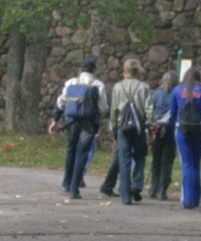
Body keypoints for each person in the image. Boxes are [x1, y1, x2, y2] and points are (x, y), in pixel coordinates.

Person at [48, 57, 108, 199]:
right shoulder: (98, 85)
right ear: (94, 70)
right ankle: (75, 189)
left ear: (80, 69)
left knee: (71, 149)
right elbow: (103, 107)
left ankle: (66, 183)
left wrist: (55, 120)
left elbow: (61, 102)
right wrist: (98, 117)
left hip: (71, 121)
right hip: (88, 122)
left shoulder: (70, 83)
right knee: (82, 152)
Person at [109, 58, 153, 205]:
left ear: (125, 71)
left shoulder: (117, 87)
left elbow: (114, 109)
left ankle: (125, 195)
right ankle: (137, 184)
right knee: (140, 157)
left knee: (124, 159)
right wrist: (150, 126)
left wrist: (113, 129)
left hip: (123, 127)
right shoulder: (144, 87)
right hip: (139, 127)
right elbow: (149, 109)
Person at [169, 67, 201, 209]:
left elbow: (173, 112)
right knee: (196, 163)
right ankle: (195, 198)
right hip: (200, 129)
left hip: (182, 129)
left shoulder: (177, 90)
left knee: (187, 163)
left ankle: (187, 200)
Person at [148, 71, 179, 200]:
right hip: (171, 129)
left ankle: (153, 188)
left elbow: (151, 111)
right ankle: (162, 190)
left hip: (157, 128)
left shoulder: (156, 94)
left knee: (156, 159)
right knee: (167, 161)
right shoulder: (176, 94)